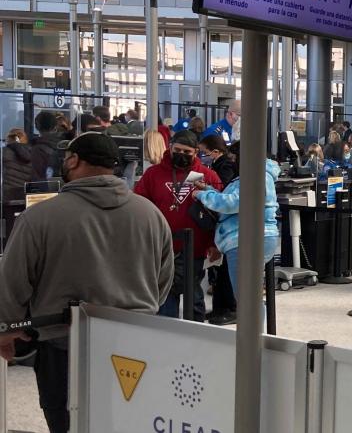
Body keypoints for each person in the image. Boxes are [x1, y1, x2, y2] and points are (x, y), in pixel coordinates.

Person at [0, 132, 173, 433]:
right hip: (135, 345)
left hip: (63, 345)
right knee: (126, 421)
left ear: (73, 160)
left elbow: (13, 280)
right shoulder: (151, 216)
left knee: (66, 423)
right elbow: (163, 280)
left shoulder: (39, 217)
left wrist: (8, 329)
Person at [134, 131, 223, 321]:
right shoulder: (153, 174)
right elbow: (139, 205)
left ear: (196, 152)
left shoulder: (208, 176)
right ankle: (167, 335)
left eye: (187, 152)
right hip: (161, 245)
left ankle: (197, 335)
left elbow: (219, 213)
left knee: (194, 294)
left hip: (196, 246)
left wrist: (216, 244)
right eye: (178, 150)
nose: (181, 154)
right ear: (170, 147)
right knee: (165, 294)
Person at [191, 141, 281, 321]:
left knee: (247, 298)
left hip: (244, 239)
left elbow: (233, 203)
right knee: (250, 294)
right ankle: (257, 339)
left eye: (234, 157)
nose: (232, 161)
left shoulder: (255, 175)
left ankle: (253, 343)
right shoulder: (261, 174)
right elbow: (237, 197)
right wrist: (209, 189)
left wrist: (202, 195)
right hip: (256, 236)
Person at [197, 134, 238, 325]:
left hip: (234, 232)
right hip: (226, 231)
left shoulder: (228, 170)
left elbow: (227, 200)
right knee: (221, 273)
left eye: (205, 153)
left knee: (229, 274)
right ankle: (220, 308)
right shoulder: (225, 168)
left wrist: (205, 192)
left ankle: (230, 309)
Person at [3, 128, 46, 206]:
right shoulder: (34, 153)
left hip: (7, 196)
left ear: (9, 139)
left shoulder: (4, 152)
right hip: (27, 196)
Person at [31, 111, 67, 180]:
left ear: (36, 126)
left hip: (45, 188)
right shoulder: (65, 144)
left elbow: (36, 178)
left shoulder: (36, 149)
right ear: (55, 126)